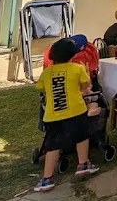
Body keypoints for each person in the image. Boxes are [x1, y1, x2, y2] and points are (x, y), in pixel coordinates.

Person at [34, 38, 101, 191]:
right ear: (72, 55)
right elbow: (86, 86)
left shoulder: (47, 72)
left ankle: (47, 178)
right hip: (76, 110)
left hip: (53, 115)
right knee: (82, 137)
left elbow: (42, 89)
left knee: (53, 146)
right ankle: (83, 164)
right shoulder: (77, 68)